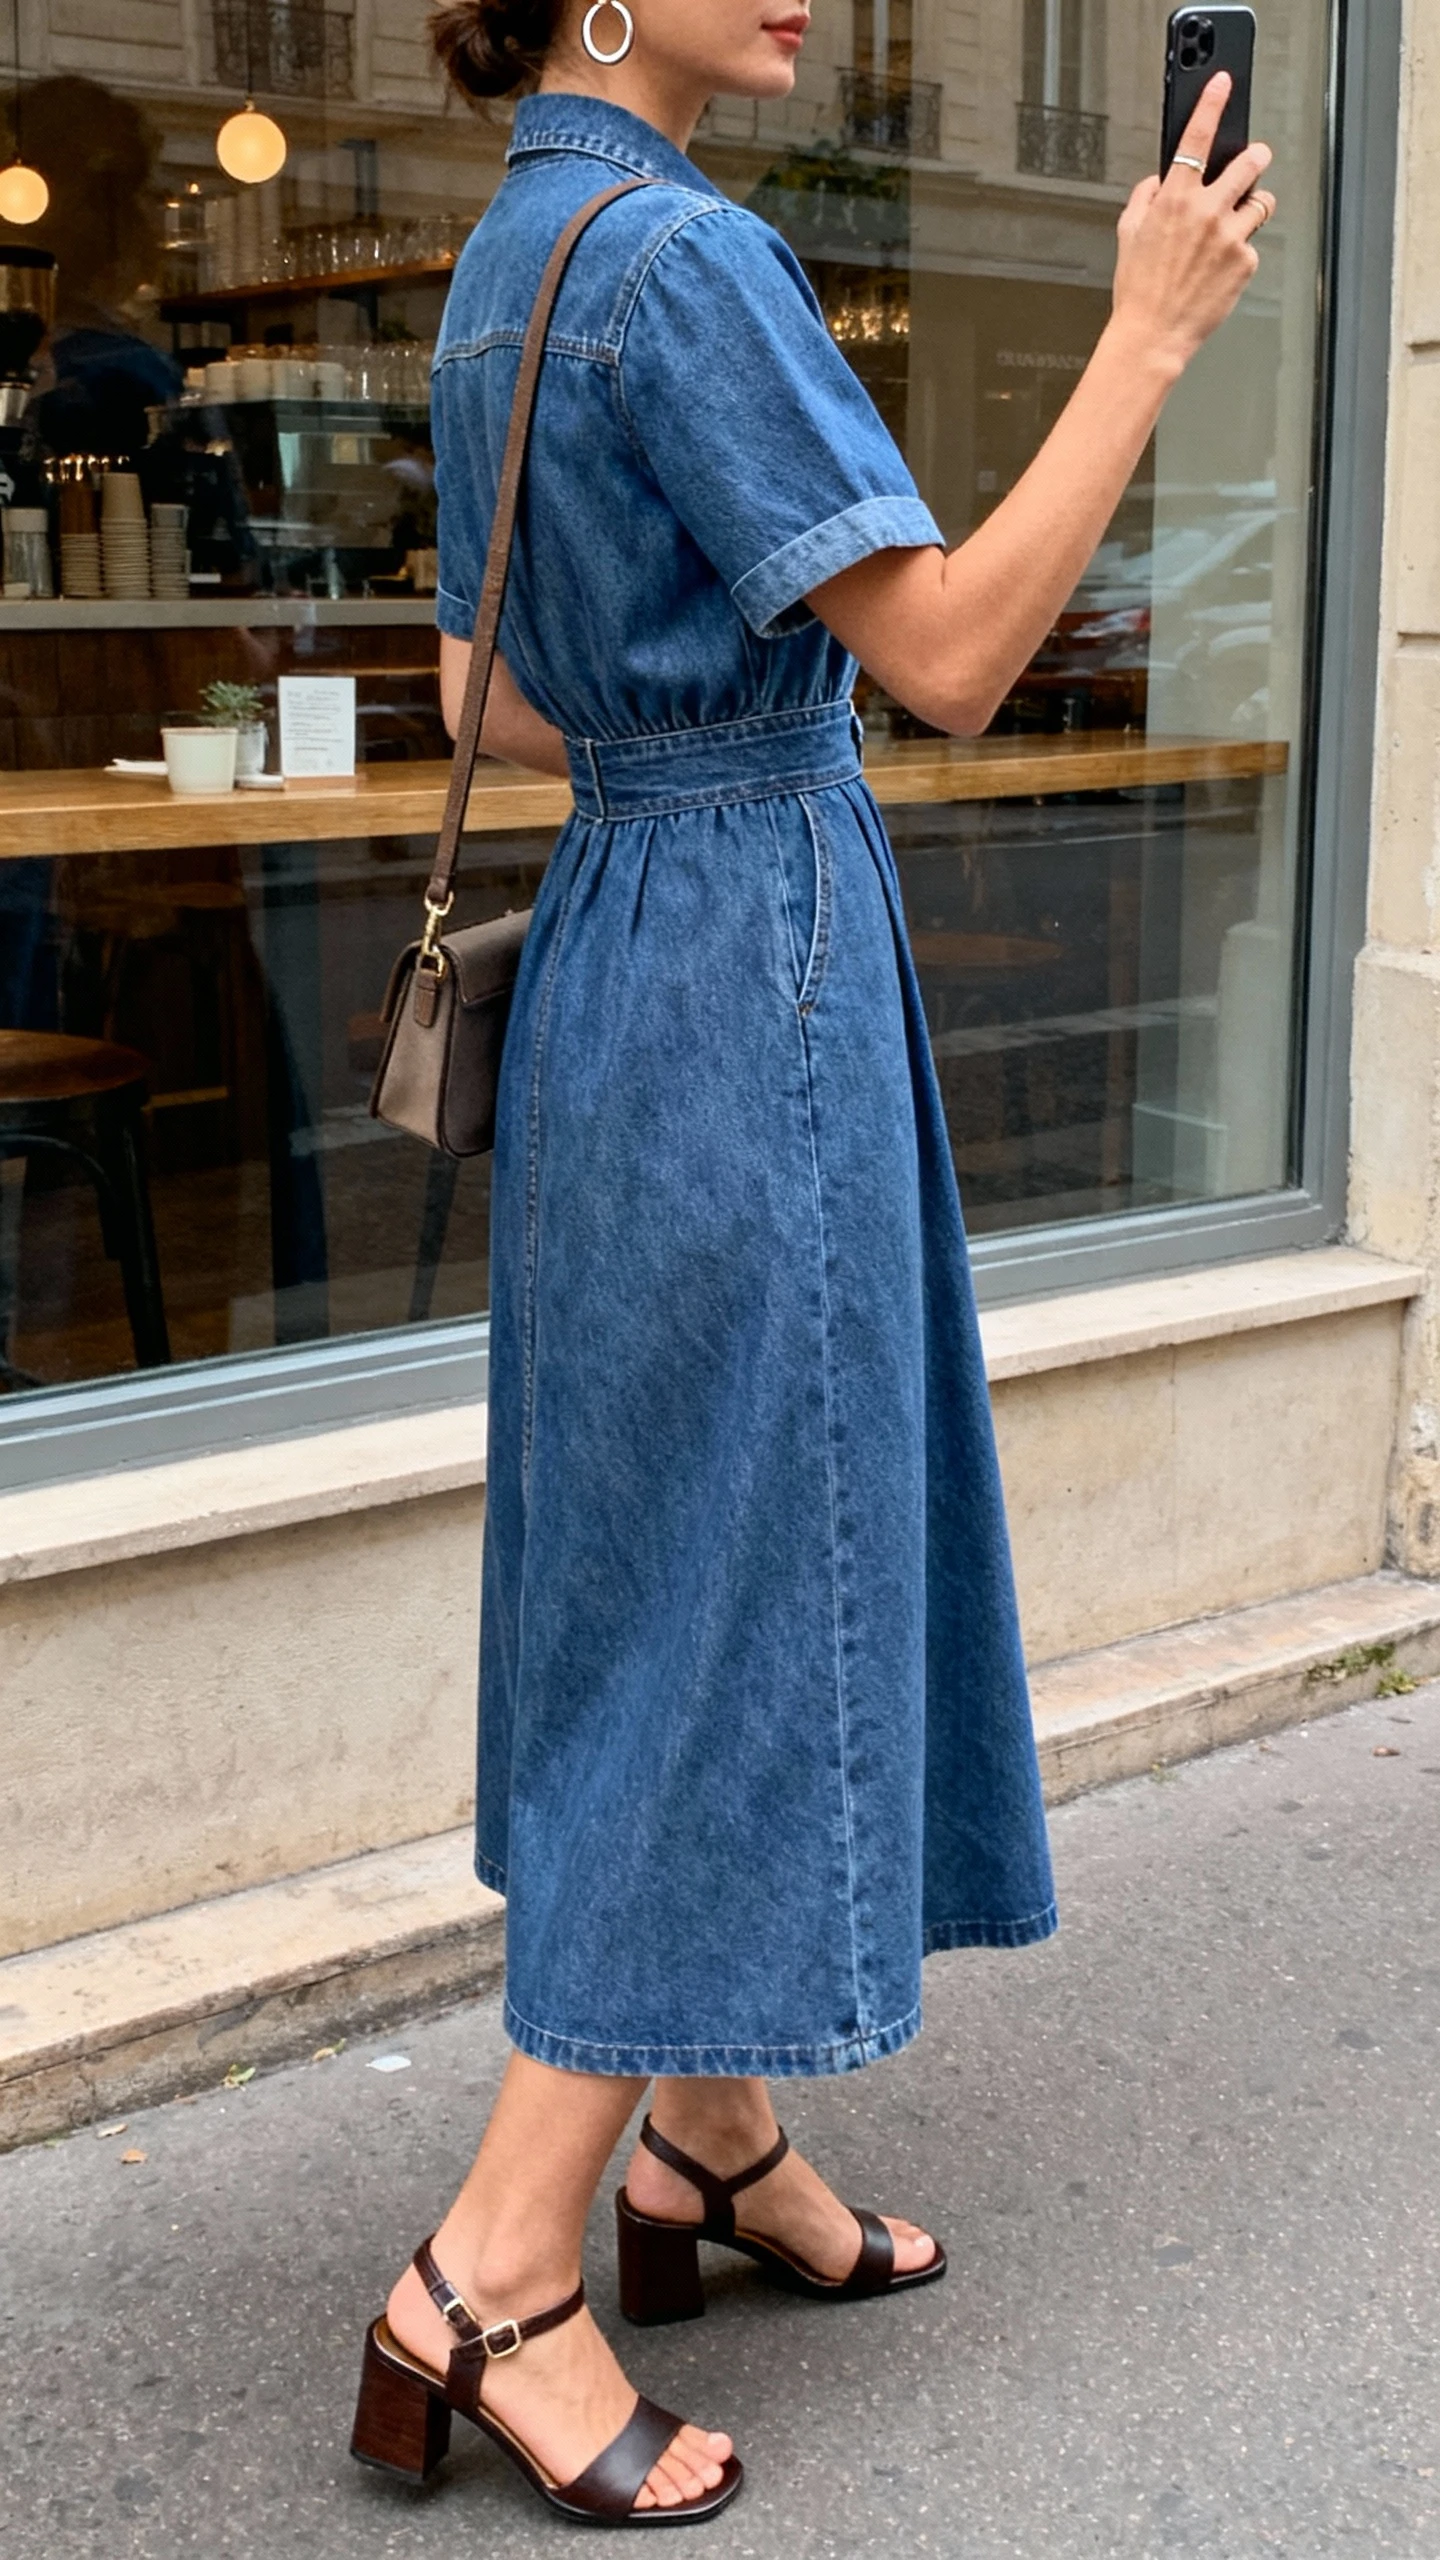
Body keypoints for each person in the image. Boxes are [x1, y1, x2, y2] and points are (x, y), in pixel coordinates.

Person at [349, 0, 1275, 2526]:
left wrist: (687, 705)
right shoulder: (691, 256)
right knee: (744, 1574)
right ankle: (495, 2266)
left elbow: (480, 687)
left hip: (632, 929)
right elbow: (961, 654)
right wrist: (1150, 328)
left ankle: (712, 2135)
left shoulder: (509, 260)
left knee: (671, 1532)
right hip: (744, 949)